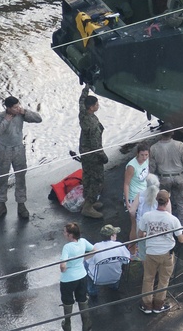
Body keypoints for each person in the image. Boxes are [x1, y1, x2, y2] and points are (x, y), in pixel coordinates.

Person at [138, 189, 183, 314]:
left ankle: (147, 305)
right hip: (167, 254)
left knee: (148, 279)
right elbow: (181, 239)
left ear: (157, 201)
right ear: (168, 201)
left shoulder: (147, 216)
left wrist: (148, 233)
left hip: (151, 253)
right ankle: (158, 305)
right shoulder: (172, 219)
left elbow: (140, 234)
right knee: (163, 280)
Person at [0, 95, 43, 220]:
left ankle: (21, 204)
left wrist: (25, 112)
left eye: (18, 105)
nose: (17, 108)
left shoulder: (21, 114)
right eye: (15, 107)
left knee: (20, 177)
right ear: (8, 108)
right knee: (2, 178)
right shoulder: (0, 118)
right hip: (4, 150)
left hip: (19, 149)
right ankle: (1, 204)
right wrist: (6, 121)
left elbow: (38, 119)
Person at [149, 133, 183, 235]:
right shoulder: (180, 145)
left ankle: (165, 228)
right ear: (172, 133)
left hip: (163, 178)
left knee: (163, 202)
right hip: (179, 177)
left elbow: (151, 168)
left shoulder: (153, 148)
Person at [78, 85, 107, 219]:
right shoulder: (93, 125)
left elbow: (81, 100)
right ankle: (89, 206)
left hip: (84, 152)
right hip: (93, 156)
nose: (98, 106)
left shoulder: (83, 114)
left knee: (87, 176)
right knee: (96, 180)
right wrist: (103, 157)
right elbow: (96, 146)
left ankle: (87, 201)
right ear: (91, 107)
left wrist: (86, 88)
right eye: (96, 104)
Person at [59, 222, 95, 331]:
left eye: (65, 232)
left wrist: (64, 268)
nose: (63, 234)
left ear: (70, 235)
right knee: (82, 298)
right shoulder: (83, 242)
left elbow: (63, 265)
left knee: (67, 300)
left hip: (68, 279)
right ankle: (86, 322)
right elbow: (95, 250)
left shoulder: (67, 247)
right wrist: (84, 259)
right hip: (82, 276)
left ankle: (68, 324)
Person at [84, 224, 129, 298]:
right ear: (112, 235)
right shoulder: (120, 245)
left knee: (85, 262)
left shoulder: (96, 246)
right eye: (115, 233)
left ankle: (92, 291)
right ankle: (114, 286)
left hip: (98, 279)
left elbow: (89, 261)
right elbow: (126, 261)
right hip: (115, 277)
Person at [123, 143, 151, 245]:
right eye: (142, 155)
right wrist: (127, 201)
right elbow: (126, 184)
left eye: (146, 155)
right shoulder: (132, 166)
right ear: (137, 154)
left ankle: (142, 244)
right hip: (134, 197)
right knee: (135, 224)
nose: (144, 157)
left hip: (144, 194)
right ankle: (133, 247)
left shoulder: (146, 161)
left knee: (145, 222)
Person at [132, 173, 160, 260]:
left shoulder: (140, 194)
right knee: (156, 249)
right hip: (157, 226)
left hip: (141, 226)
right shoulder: (162, 195)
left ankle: (146, 270)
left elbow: (132, 211)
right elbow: (168, 212)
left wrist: (134, 221)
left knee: (143, 251)